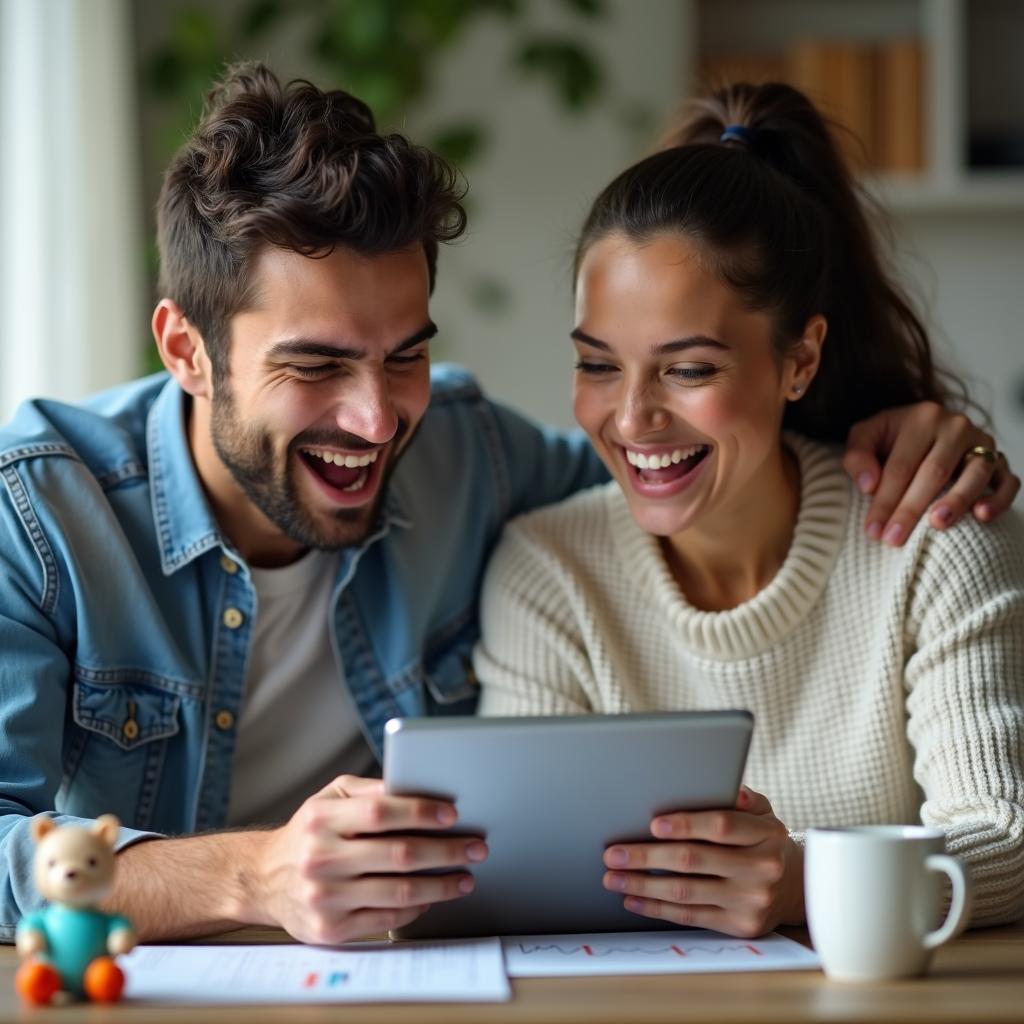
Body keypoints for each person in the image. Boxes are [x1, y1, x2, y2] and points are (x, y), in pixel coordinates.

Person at [0, 65, 1015, 947]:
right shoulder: (41, 517)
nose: (374, 418)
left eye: (406, 356)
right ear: (186, 350)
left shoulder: (465, 451)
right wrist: (248, 873)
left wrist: (913, 434)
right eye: (315, 365)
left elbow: (677, 466)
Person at [474, 82, 1024, 936]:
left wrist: (808, 883)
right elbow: (527, 878)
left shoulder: (931, 538)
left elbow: (1008, 837)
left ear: (799, 360)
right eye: (597, 364)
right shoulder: (547, 572)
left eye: (688, 369)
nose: (631, 419)